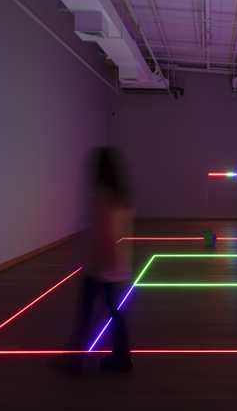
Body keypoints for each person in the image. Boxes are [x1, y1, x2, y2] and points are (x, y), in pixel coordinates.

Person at [69, 147, 134, 373]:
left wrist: (103, 265)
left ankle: (75, 362)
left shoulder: (102, 196)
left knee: (86, 313)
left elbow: (105, 234)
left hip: (102, 268)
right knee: (114, 313)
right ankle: (121, 358)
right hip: (118, 267)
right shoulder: (121, 196)